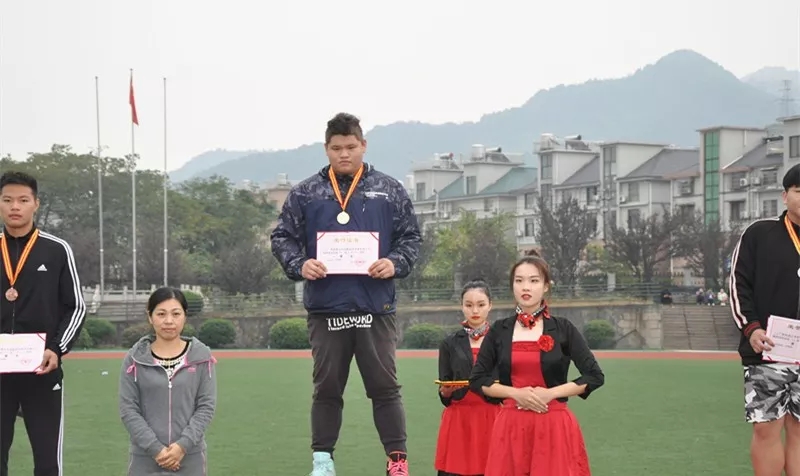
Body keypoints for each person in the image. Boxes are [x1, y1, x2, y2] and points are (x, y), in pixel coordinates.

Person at [270, 112, 422, 476]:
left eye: (351, 147)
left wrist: (394, 262)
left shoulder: (388, 190)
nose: (344, 154)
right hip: (326, 307)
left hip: (375, 306)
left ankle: (397, 461)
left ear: (363, 145)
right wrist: (301, 264)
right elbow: (282, 237)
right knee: (327, 388)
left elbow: (412, 238)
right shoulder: (306, 193)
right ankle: (322, 462)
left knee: (384, 388)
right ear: (326, 148)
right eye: (336, 148)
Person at [469, 250, 605, 476]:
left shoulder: (563, 328)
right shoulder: (500, 330)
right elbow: (478, 379)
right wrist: (516, 394)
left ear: (546, 286)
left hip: (554, 425)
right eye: (519, 281)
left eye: (534, 281)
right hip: (511, 426)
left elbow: (594, 376)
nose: (526, 287)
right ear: (512, 285)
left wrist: (550, 394)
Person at [0, 171, 87, 476]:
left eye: (23, 200)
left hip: (42, 368)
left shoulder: (56, 249)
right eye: (7, 200)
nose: (15, 206)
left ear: (36, 204)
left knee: (48, 462)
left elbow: (76, 306)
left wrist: (57, 348)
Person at [729, 163, 800, 476]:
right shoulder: (759, 233)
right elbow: (738, 284)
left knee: (799, 430)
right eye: (799, 191)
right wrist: (751, 328)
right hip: (768, 347)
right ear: (785, 196)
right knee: (766, 428)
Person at [119, 287, 217, 475]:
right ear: (150, 316)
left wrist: (182, 446)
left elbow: (206, 406)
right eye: (161, 314)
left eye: (176, 314)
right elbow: (128, 409)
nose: (169, 321)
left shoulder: (202, 357)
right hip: (145, 460)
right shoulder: (134, 359)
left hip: (190, 459)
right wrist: (156, 449)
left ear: (185, 316)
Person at [434, 279, 501, 476]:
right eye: (469, 305)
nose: (475, 311)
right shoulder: (449, 343)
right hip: (458, 420)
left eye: (481, 304)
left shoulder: (502, 342)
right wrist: (445, 392)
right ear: (462, 306)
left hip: (492, 417)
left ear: (490, 305)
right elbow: (444, 388)